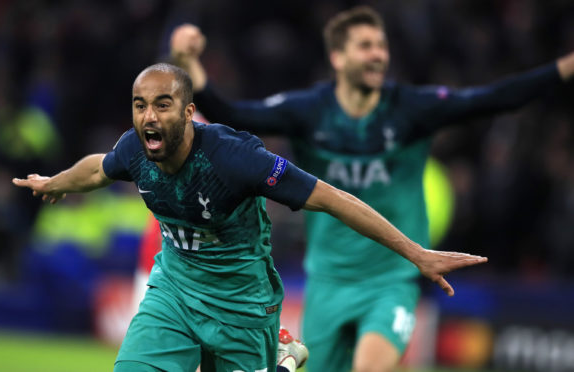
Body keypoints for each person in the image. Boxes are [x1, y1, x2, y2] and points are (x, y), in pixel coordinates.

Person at [169, 6, 574, 372]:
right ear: (338, 58)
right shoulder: (309, 112)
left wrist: (564, 68)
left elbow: (492, 99)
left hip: (391, 279)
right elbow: (233, 114)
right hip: (327, 281)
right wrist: (189, 64)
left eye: (381, 46)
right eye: (365, 46)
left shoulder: (409, 109)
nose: (378, 54)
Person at [12, 63, 486, 372]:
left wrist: (415, 253)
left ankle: (276, 353)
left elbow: (333, 199)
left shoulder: (235, 160)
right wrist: (55, 182)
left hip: (241, 303)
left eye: (162, 104)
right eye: (140, 105)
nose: (149, 116)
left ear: (188, 111)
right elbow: (98, 167)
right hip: (173, 292)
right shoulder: (133, 150)